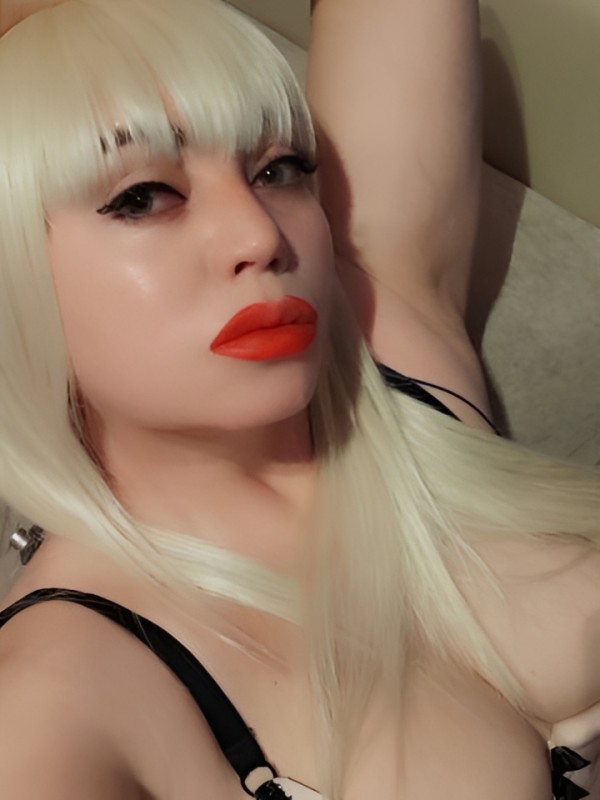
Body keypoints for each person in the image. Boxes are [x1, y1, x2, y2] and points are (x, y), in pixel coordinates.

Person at [0, 0, 598, 798]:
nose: (258, 236)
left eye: (277, 170)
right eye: (142, 196)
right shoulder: (56, 693)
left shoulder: (384, 371)